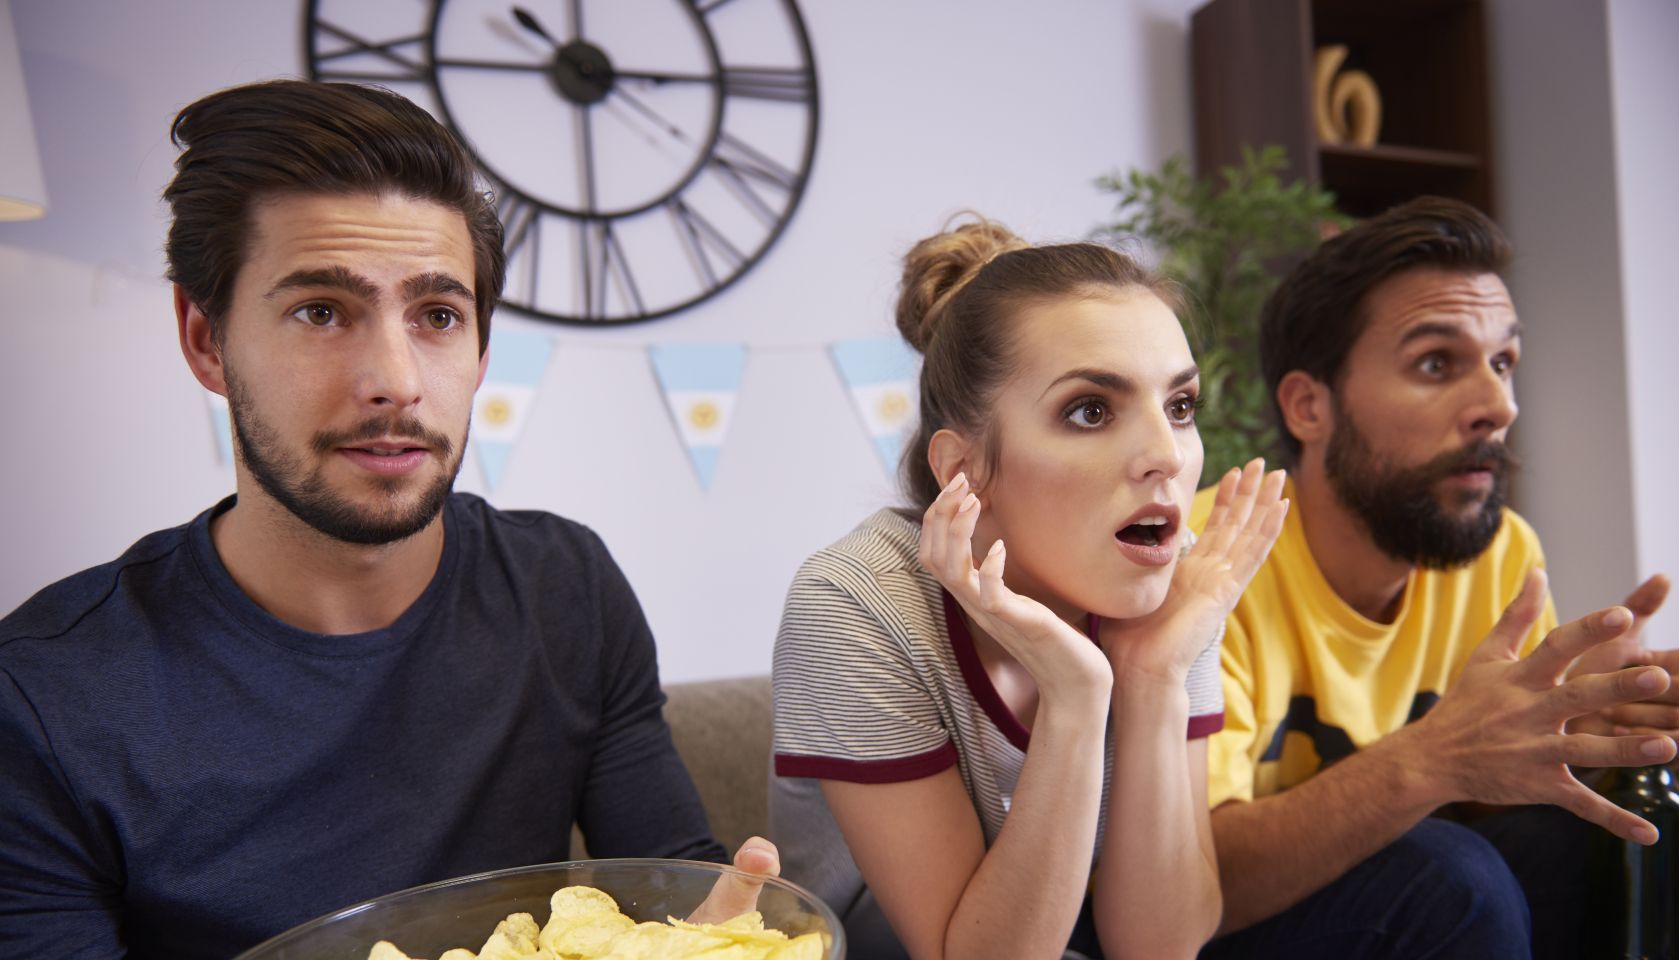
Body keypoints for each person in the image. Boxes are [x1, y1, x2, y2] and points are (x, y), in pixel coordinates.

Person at [0, 79, 776, 960]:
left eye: (437, 315)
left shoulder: (566, 587)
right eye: (321, 311)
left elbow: (676, 891)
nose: (396, 380)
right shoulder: (44, 700)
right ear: (205, 339)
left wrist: (720, 937)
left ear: (482, 348)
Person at [770, 217, 1289, 960]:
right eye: (1090, 411)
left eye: (1178, 407)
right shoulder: (856, 603)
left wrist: (1153, 676)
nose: (1164, 456)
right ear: (964, 468)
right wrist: (1076, 699)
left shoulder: (1167, 583)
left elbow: (1161, 946)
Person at [1192, 196, 1677, 960]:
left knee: (1617, 815)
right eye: (1434, 363)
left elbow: (1482, 802)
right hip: (1222, 924)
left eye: (1502, 361)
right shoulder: (1202, 563)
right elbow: (1189, 887)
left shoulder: (1498, 553)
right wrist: (1431, 758)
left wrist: (1564, 738)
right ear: (1307, 406)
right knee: (1448, 878)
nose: (1498, 405)